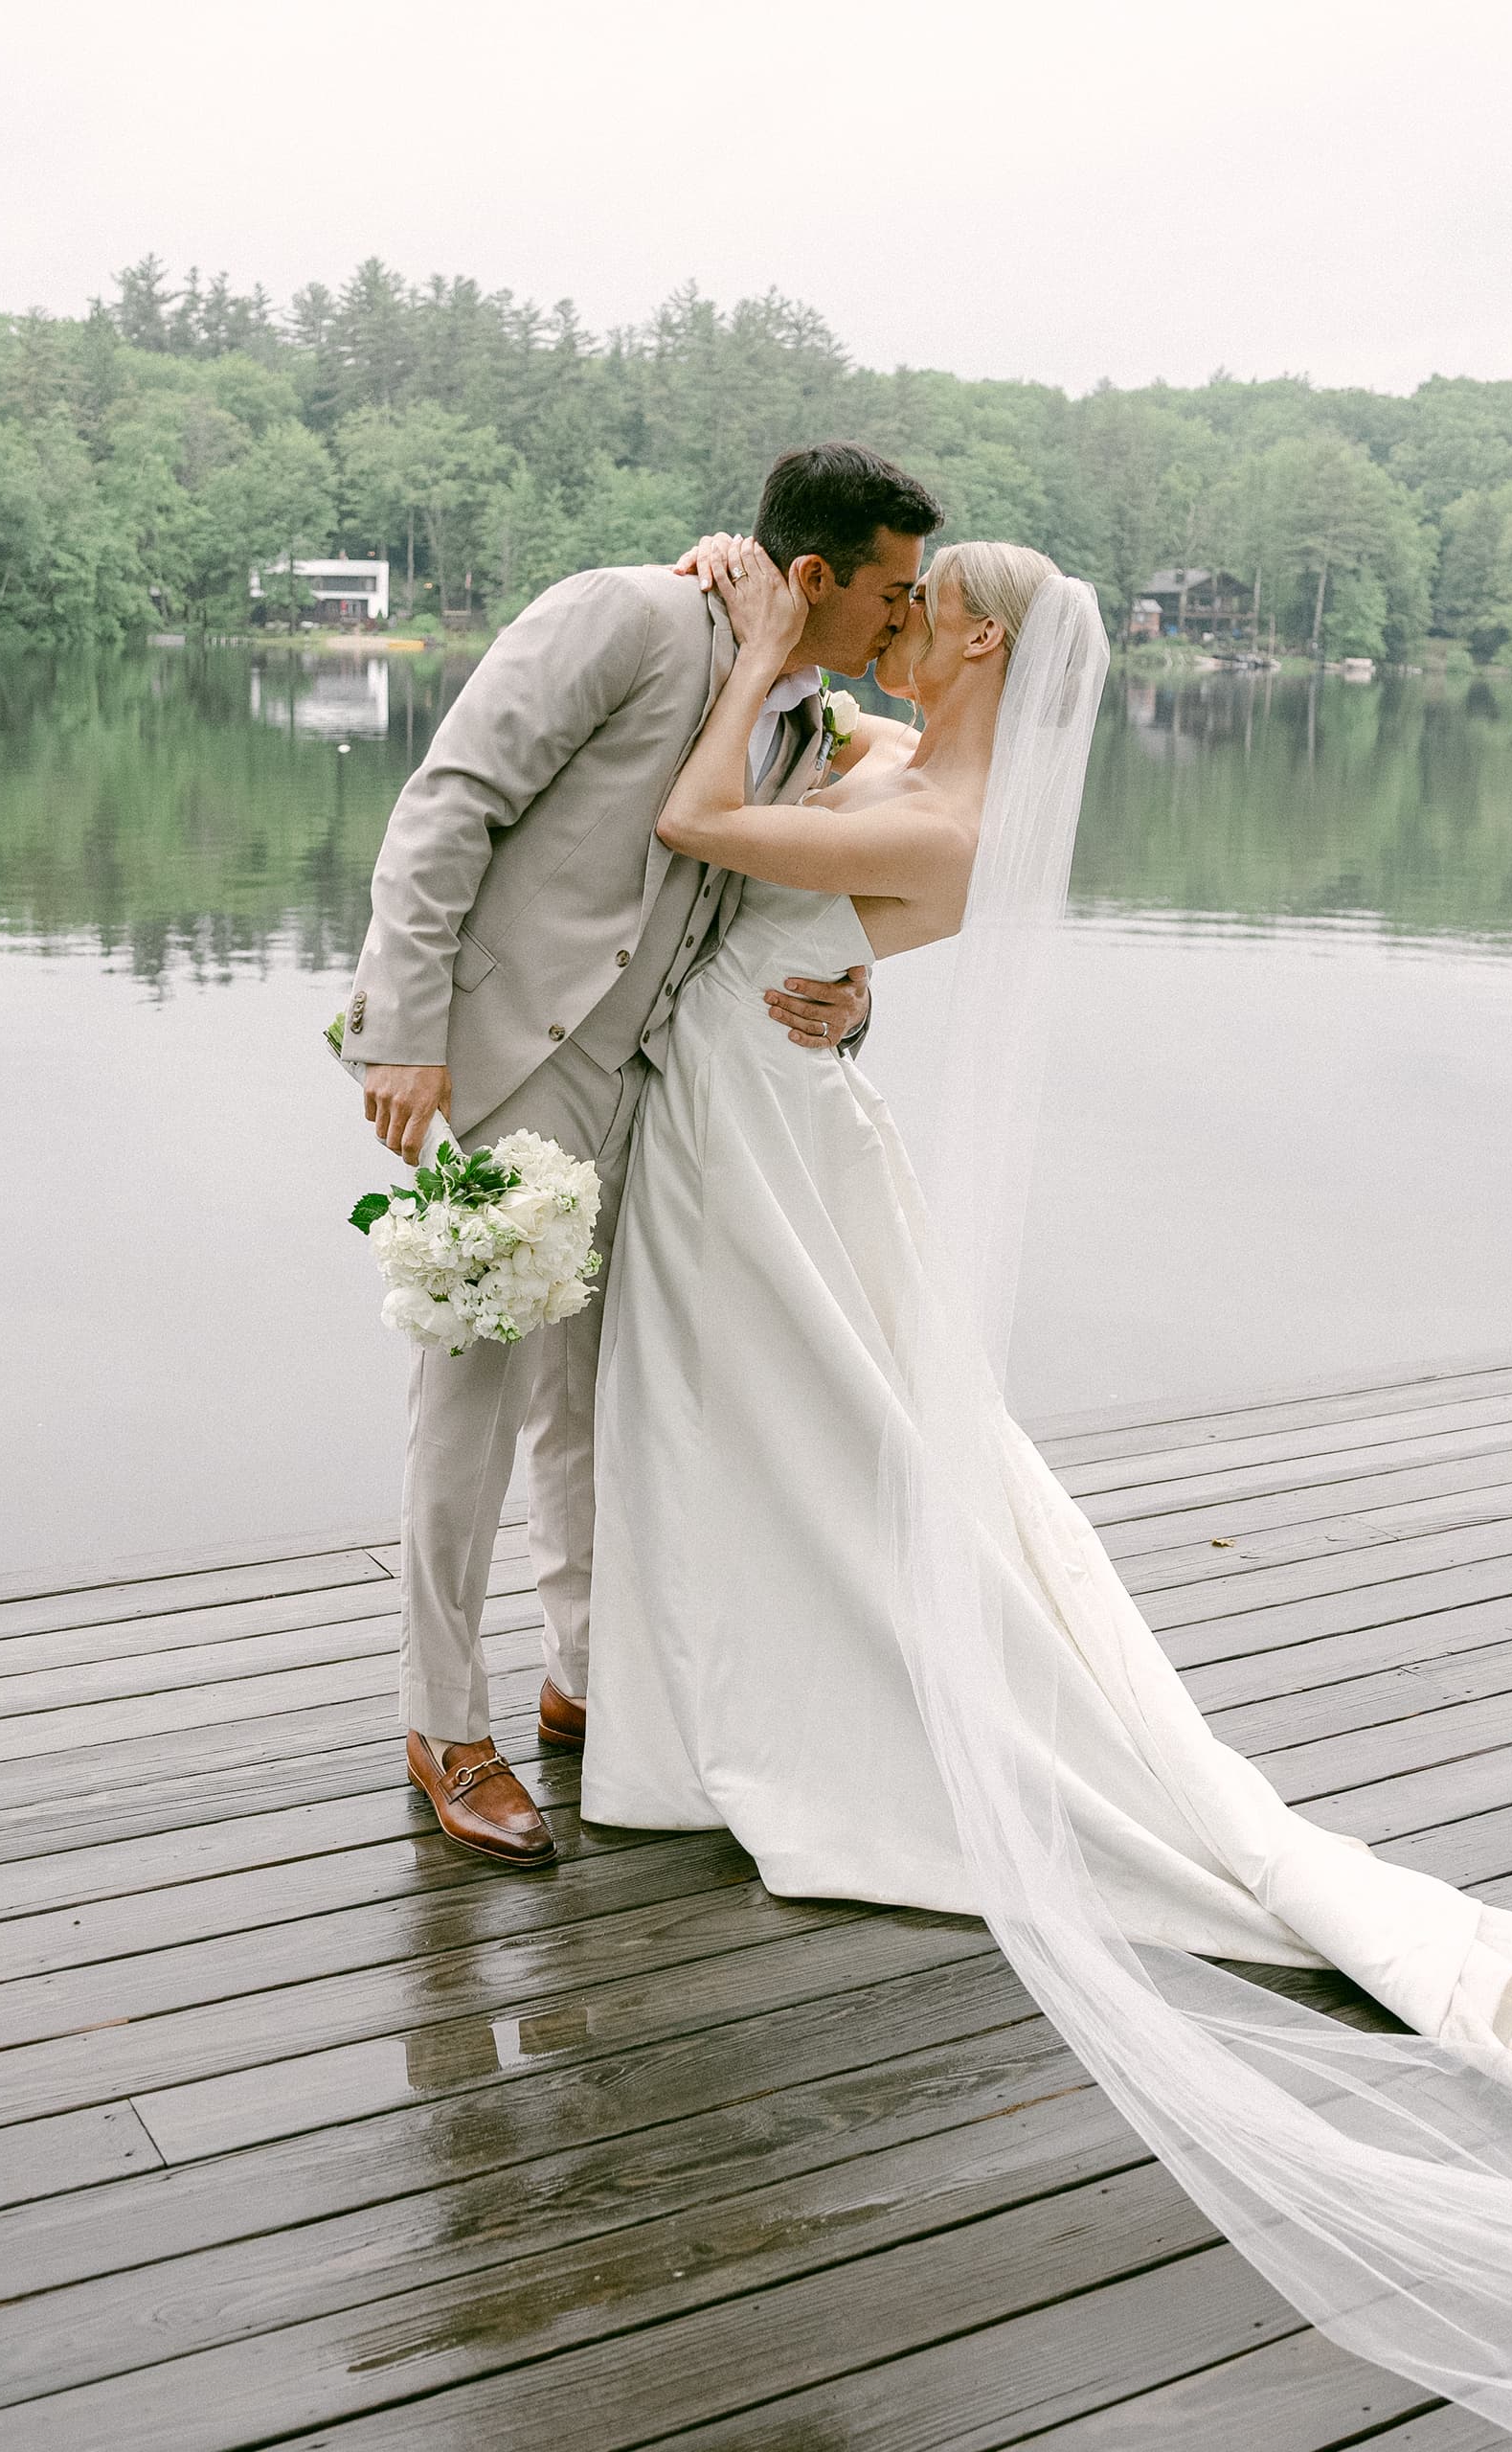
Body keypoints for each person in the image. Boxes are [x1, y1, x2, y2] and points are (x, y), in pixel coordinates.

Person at [570, 534, 1512, 2452]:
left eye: (919, 608)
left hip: (771, 1151)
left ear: (980, 633)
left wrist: (755, 659)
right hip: (775, 1139)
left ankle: (760, 1719)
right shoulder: (907, 762)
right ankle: (703, 1696)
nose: (888, 620)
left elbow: (700, 824)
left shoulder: (941, 795)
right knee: (800, 1436)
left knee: (837, 1448)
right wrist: (837, 921)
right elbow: (826, 944)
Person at [338, 443, 938, 1865]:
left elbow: (791, 899)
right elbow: (450, 803)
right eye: (893, 594)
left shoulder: (806, 726)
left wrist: (854, 991)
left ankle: (583, 1678)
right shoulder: (627, 615)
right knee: (470, 1408)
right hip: (507, 1065)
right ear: (812, 577)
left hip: (657, 1098)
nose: (904, 623)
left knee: (595, 1401)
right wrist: (400, 1032)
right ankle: (444, 1724)